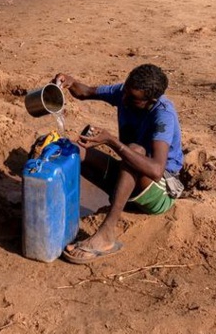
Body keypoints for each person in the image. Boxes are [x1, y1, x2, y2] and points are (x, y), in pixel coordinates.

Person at [54, 64, 184, 264]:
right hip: (129, 178)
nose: (123, 100)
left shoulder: (163, 116)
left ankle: (107, 233)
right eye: (124, 91)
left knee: (135, 149)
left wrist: (112, 141)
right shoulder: (125, 92)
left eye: (132, 99)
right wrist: (70, 82)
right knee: (73, 149)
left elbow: (157, 170)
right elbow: (85, 92)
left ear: (151, 101)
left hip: (159, 193)